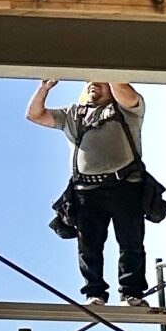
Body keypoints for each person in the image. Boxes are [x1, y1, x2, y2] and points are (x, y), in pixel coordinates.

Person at [28, 79, 152, 307]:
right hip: (86, 191)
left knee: (131, 243)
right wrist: (44, 88)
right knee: (89, 247)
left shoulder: (126, 108)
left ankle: (131, 293)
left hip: (125, 186)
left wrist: (102, 67)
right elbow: (35, 115)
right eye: (91, 82)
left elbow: (124, 89)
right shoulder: (73, 114)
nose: (94, 84)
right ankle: (94, 294)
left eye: (101, 82)